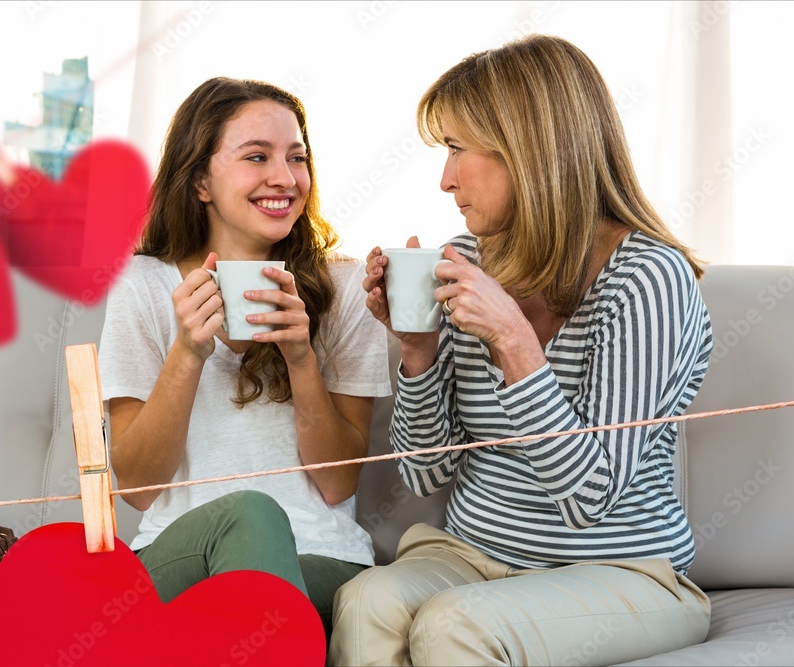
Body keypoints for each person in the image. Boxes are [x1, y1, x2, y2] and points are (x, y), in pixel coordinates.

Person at [329, 35, 714, 666]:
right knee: (367, 600)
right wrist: (419, 350)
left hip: (621, 571)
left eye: (456, 148)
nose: (445, 178)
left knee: (456, 625)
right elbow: (426, 473)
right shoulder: (471, 258)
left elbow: (588, 499)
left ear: (529, 150)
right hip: (473, 555)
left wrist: (514, 342)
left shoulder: (647, 278)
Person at [97, 77, 391, 641]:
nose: (285, 178)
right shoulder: (142, 285)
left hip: (319, 558)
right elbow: (137, 486)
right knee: (249, 515)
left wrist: (301, 359)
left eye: (297, 158)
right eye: (257, 156)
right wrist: (187, 354)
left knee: (262, 595)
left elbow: (338, 485)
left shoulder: (346, 287)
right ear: (202, 180)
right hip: (180, 555)